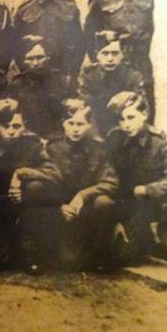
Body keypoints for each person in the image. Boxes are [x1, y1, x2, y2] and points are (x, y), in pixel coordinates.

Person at [0, 99, 62, 275]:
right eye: (6, 126)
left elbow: (54, 174)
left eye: (16, 126)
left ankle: (30, 252)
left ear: (24, 127)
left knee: (36, 188)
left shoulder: (33, 145)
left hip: (24, 204)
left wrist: (21, 173)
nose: (11, 131)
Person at [105, 91, 167, 264]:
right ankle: (142, 239)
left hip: (151, 201)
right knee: (127, 258)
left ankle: (163, 246)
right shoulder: (114, 138)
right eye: (121, 119)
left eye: (131, 117)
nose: (126, 125)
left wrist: (148, 190)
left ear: (144, 114)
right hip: (125, 203)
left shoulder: (159, 141)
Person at [83, 0, 156, 121]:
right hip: (114, 71)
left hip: (141, 67)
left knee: (145, 119)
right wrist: (103, 64)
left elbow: (149, 30)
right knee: (113, 121)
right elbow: (89, 38)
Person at [46, 99, 119, 271]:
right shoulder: (51, 147)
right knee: (68, 262)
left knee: (105, 202)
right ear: (63, 123)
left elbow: (111, 182)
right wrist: (59, 205)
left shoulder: (99, 148)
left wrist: (83, 195)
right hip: (58, 210)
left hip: (86, 210)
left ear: (88, 125)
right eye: (70, 123)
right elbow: (42, 181)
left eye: (81, 124)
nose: (76, 128)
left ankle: (99, 255)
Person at [12, 0, 83, 82]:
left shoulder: (69, 7)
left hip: (62, 76)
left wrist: (72, 73)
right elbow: (16, 47)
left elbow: (79, 44)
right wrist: (26, 72)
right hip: (33, 77)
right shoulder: (23, 11)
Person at [77, 30, 146, 137]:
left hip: (125, 127)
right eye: (105, 53)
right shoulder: (88, 75)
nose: (110, 59)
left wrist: (131, 95)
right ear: (97, 55)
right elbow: (85, 106)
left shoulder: (132, 75)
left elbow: (143, 106)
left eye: (115, 53)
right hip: (96, 127)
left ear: (122, 54)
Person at [8, 35, 72, 140]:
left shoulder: (62, 80)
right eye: (30, 58)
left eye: (40, 57)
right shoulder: (18, 83)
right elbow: (13, 117)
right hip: (27, 138)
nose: (36, 63)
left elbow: (71, 114)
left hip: (58, 137)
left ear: (47, 57)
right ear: (23, 60)